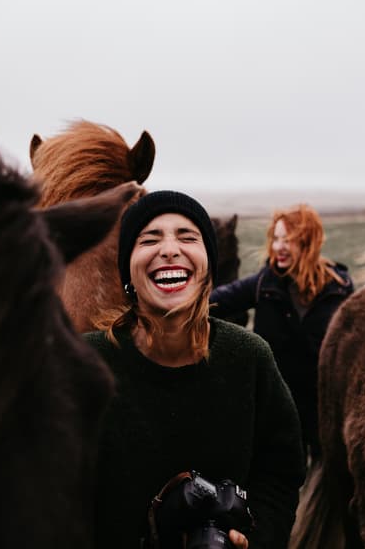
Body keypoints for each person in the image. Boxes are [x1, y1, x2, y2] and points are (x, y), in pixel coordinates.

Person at [85, 191, 305, 549]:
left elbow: (281, 471)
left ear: (208, 269)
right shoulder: (86, 363)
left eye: (187, 237)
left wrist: (256, 539)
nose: (170, 249)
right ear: (128, 270)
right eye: (149, 239)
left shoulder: (249, 358)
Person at [210, 204, 354, 462]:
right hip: (279, 406)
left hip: (324, 407)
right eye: (275, 239)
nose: (278, 247)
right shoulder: (265, 283)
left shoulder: (339, 289)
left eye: (288, 240)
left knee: (328, 476)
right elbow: (216, 301)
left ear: (308, 242)